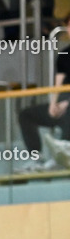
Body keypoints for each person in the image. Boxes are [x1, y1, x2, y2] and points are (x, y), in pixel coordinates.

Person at [16, 12, 70, 172]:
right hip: (63, 104)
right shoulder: (64, 54)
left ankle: (64, 154)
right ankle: (36, 158)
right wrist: (53, 104)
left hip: (68, 106)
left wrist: (66, 103)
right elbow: (58, 83)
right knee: (26, 114)